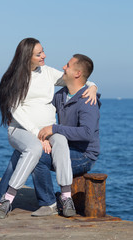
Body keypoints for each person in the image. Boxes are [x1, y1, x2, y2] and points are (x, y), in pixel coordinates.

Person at [0, 38, 97, 216]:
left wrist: (93, 86)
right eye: (39, 54)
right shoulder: (14, 79)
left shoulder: (47, 72)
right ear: (26, 57)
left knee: (61, 141)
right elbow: (16, 111)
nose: (44, 56)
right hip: (21, 130)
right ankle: (8, 198)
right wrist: (39, 136)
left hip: (47, 130)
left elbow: (77, 80)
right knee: (33, 149)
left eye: (43, 51)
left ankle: (65, 196)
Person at [30, 53, 100, 217]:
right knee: (32, 153)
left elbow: (87, 133)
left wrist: (55, 129)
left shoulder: (87, 101)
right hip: (64, 149)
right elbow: (43, 113)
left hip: (84, 155)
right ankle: (51, 202)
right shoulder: (60, 95)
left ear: (77, 73)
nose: (63, 67)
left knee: (38, 158)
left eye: (67, 65)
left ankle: (49, 202)